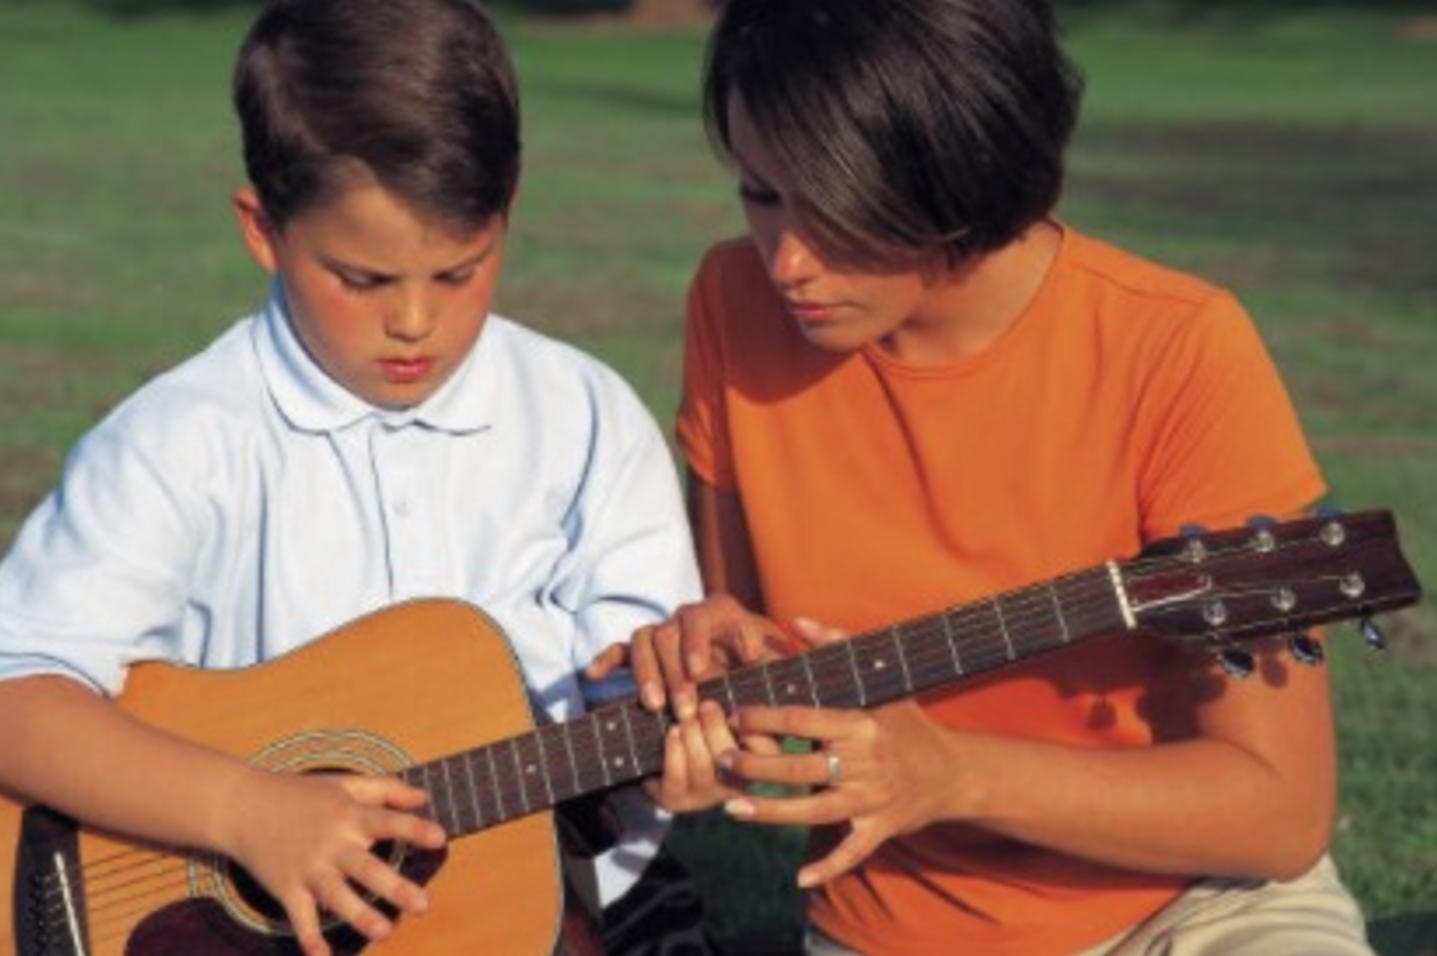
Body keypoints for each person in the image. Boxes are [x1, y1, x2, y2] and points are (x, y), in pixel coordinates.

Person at [592, 0, 1377, 953]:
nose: (788, 260)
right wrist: (715, 689)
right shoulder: (733, 303)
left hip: (1194, 913)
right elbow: (763, 685)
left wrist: (955, 773)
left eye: (838, 212)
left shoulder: (1175, 347)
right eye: (761, 196)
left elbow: (1278, 812)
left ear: (960, 166)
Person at [0, 1, 708, 954]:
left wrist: (674, 737)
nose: (414, 322)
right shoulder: (179, 441)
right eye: (363, 280)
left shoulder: (587, 420)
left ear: (507, 211)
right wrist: (246, 809)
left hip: (558, 895)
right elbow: (15, 692)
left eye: (459, 273)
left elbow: (631, 692)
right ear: (264, 229)